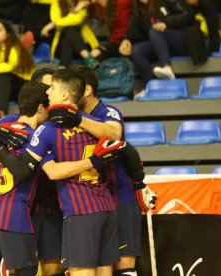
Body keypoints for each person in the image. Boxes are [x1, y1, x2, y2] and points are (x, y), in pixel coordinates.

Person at [0, 69, 121, 276]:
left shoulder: (47, 129)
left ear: (64, 95)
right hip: (106, 207)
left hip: (80, 210)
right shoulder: (91, 122)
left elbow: (43, 171)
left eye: (52, 87)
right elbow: (116, 137)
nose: (48, 93)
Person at [73, 67, 157, 275]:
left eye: (74, 89)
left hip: (120, 196)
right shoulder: (71, 119)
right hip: (91, 203)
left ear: (87, 90)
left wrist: (139, 183)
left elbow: (115, 134)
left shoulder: (107, 112)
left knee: (124, 267)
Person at [0, 81, 50, 276]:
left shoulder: (3, 133)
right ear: (40, 108)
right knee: (27, 269)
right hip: (12, 213)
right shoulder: (37, 137)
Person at [119, 0, 197, 94]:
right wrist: (127, 40)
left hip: (184, 39)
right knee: (137, 50)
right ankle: (150, 87)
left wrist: (167, 23)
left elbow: (188, 15)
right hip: (160, 44)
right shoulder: (137, 9)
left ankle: (167, 67)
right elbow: (134, 32)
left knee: (154, 30)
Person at [41, 0, 100, 69]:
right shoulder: (56, 4)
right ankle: (87, 56)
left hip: (83, 43)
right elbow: (56, 20)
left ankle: (62, 67)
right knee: (68, 29)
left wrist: (52, 25)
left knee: (69, 29)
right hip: (61, 47)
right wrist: (76, 11)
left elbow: (77, 19)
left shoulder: (83, 3)